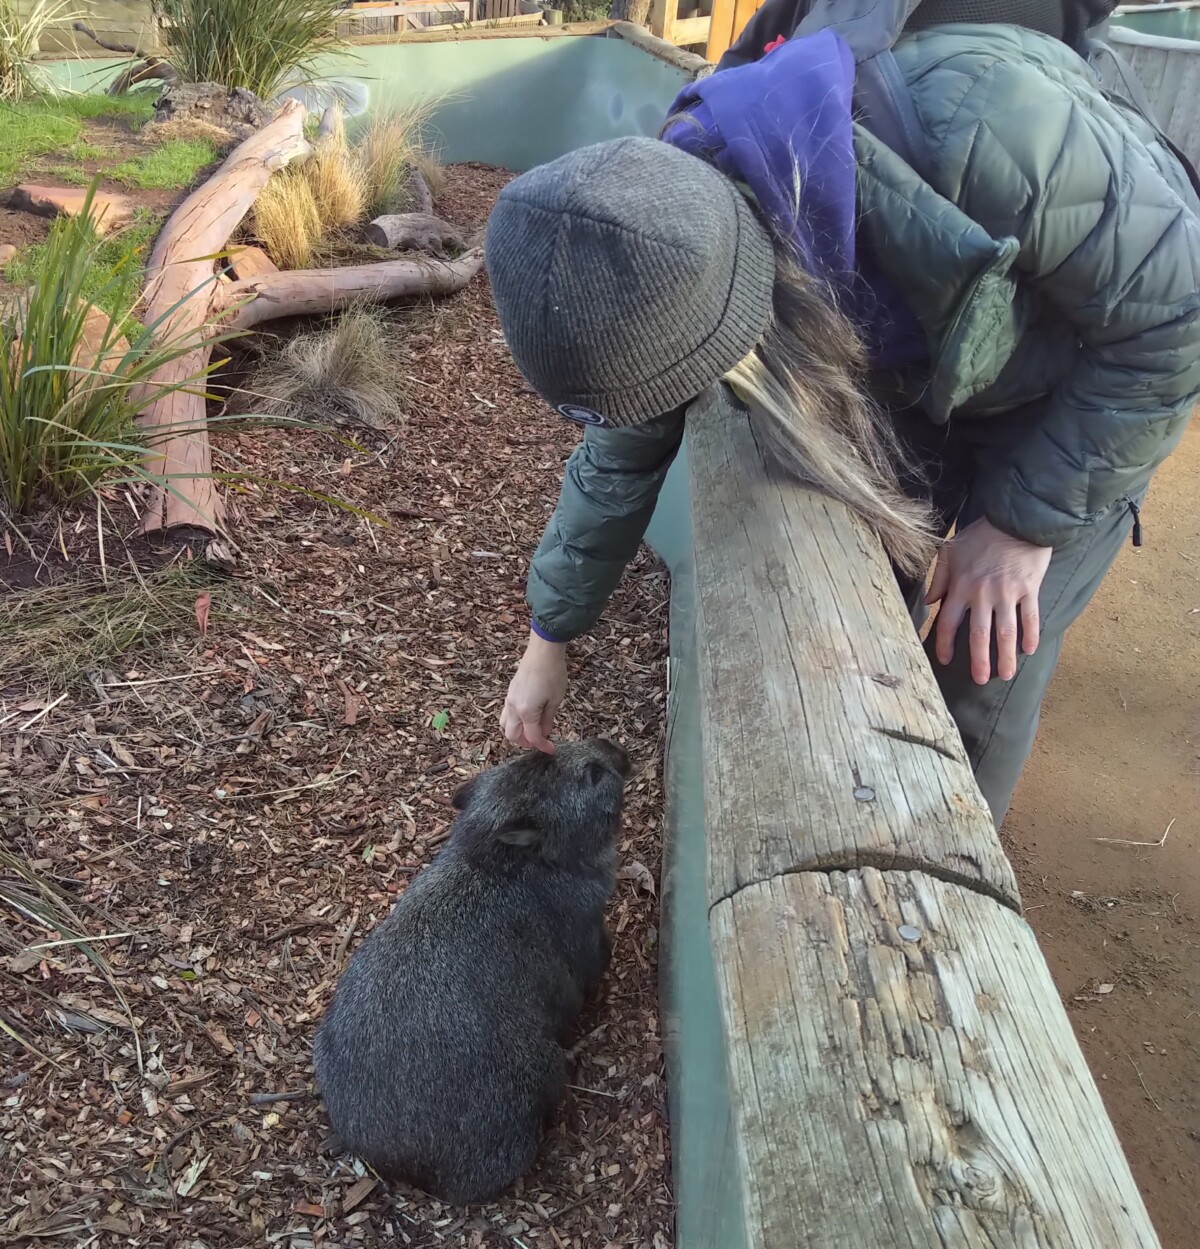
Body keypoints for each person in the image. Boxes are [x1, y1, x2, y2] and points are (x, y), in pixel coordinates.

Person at [483, 0, 1200, 828]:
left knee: (980, 655)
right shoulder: (660, 225)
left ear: (749, 286)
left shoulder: (982, 119)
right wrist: (549, 637)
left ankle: (947, 866)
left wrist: (1019, 525)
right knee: (867, 618)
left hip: (1079, 386)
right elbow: (622, 445)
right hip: (914, 355)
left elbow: (1175, 324)